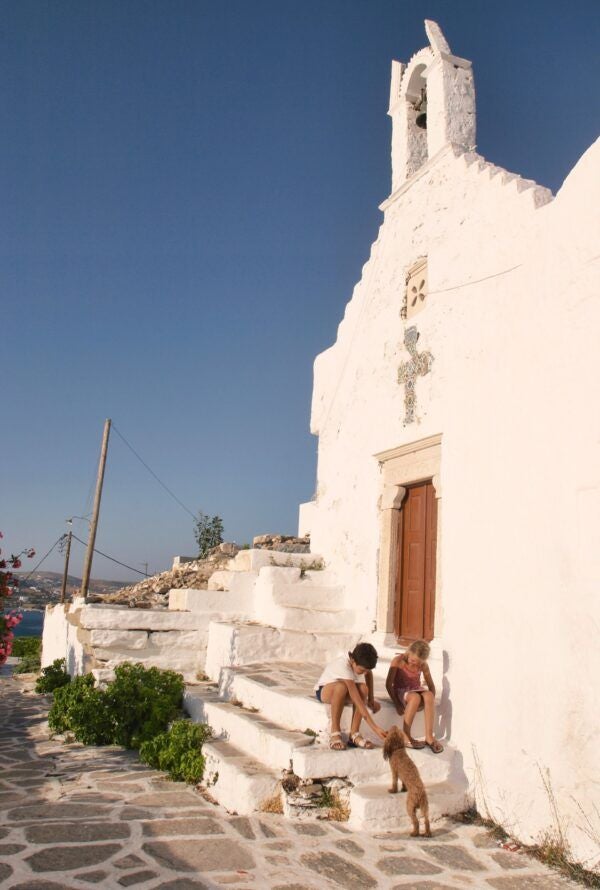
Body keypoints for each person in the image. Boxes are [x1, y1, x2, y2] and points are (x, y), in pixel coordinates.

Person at [315, 642, 387, 750]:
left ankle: (354, 734)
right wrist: (375, 728)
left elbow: (369, 674)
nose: (364, 673)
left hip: (343, 692)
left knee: (363, 688)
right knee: (341, 687)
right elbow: (356, 699)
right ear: (353, 661)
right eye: (362, 670)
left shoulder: (358, 662)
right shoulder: (343, 666)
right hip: (324, 691)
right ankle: (335, 732)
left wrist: (371, 699)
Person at [386, 639, 443, 753]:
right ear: (409, 652)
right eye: (412, 660)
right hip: (402, 691)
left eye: (417, 662)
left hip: (415, 690)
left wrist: (428, 703)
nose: (414, 664)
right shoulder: (398, 661)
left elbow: (431, 687)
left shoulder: (423, 665)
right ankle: (406, 735)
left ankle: (429, 736)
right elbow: (388, 684)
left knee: (429, 695)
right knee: (415, 698)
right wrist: (397, 704)